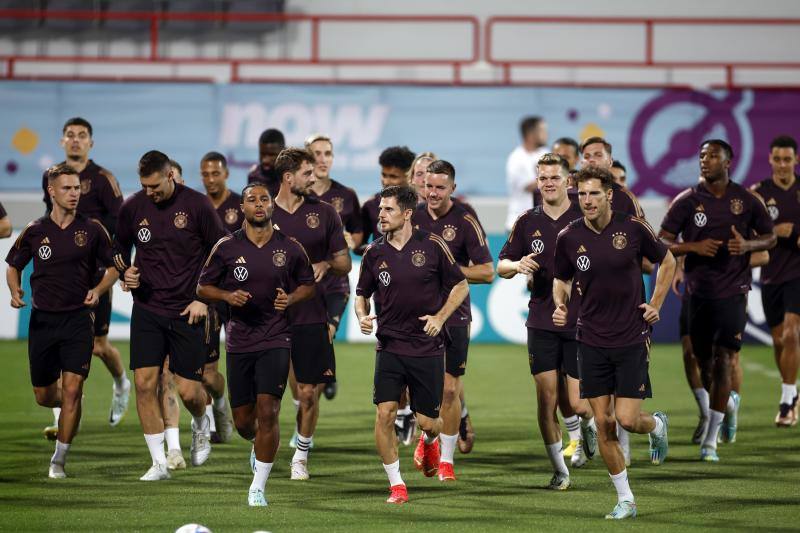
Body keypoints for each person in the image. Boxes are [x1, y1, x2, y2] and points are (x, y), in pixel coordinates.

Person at [553, 165, 675, 519]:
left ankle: (656, 425)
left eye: (593, 193)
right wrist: (561, 305)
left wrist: (655, 304)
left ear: (609, 194)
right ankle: (626, 499)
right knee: (603, 422)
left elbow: (667, 262)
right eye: (581, 195)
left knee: (627, 419)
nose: (586, 200)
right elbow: (560, 279)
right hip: (589, 338)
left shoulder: (633, 228)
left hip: (631, 337)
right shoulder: (568, 237)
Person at [198, 182, 316, 506]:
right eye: (253, 200)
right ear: (243, 208)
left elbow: (308, 285)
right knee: (245, 423)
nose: (259, 204)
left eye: (264, 199)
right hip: (239, 340)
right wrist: (226, 295)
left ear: (271, 206)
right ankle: (255, 445)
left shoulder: (290, 248)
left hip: (277, 337)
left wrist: (289, 298)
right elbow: (202, 288)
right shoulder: (226, 247)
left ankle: (257, 487)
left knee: (270, 411)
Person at [113, 150, 227, 480]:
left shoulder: (197, 206)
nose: (150, 192)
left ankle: (201, 419)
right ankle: (158, 463)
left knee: (190, 390)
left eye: (155, 185)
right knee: (145, 383)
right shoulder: (133, 207)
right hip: (147, 309)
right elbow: (117, 248)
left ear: (170, 177)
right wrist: (125, 273)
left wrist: (204, 299)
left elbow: (222, 250)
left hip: (187, 310)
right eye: (144, 186)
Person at [659, 139, 775, 461]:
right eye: (701, 155)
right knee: (704, 362)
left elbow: (770, 236)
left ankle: (710, 440)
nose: (704, 160)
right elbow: (661, 241)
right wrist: (692, 249)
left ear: (728, 161)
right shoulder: (686, 201)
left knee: (725, 359)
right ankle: (725, 406)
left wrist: (748, 247)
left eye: (711, 156)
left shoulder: (746, 200)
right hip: (699, 294)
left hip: (735, 292)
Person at [355, 185, 469, 504]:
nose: (381, 215)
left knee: (428, 422)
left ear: (407, 213)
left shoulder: (432, 246)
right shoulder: (374, 252)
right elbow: (361, 294)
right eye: (380, 209)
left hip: (426, 348)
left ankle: (429, 441)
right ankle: (397, 485)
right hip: (389, 346)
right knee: (385, 414)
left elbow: (460, 285)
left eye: (388, 209)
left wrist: (441, 317)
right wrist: (363, 316)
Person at [6, 163, 118, 478]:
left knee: (71, 389)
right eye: (67, 188)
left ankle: (58, 460)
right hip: (42, 321)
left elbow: (114, 267)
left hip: (79, 321)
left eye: (77, 188)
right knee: (44, 396)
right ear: (51, 191)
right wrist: (15, 290)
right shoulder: (35, 230)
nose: (74, 194)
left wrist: (97, 290)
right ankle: (68, 404)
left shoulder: (93, 229)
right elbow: (13, 265)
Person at [498, 154, 598, 489]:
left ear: (568, 181)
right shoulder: (527, 221)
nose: (548, 183)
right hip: (541, 320)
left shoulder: (585, 217)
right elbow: (502, 265)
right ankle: (560, 469)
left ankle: (587, 427)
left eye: (554, 177)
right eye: (543, 178)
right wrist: (517, 265)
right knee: (546, 398)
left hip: (581, 322)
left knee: (580, 404)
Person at [39, 117, 130, 436]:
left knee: (98, 345)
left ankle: (121, 383)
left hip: (95, 276)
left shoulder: (103, 179)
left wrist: (120, 266)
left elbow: (121, 226)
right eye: (70, 136)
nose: (75, 140)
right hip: (62, 278)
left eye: (81, 136)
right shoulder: (51, 177)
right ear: (62, 141)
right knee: (63, 347)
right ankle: (61, 417)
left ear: (91, 142)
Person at [270, 147, 351, 480]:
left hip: (310, 314)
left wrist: (326, 263)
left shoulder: (326, 213)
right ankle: (260, 443)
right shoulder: (263, 211)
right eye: (307, 173)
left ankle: (300, 455)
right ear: (289, 177)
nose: (314, 177)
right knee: (266, 397)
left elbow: (345, 263)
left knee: (307, 391)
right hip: (267, 316)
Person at [411, 160, 494, 481]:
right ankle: (427, 435)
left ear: (452, 189)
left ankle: (445, 460)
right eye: (428, 186)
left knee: (448, 390)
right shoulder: (412, 216)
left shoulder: (464, 220)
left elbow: (486, 271)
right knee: (415, 388)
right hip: (415, 315)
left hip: (455, 315)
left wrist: (448, 273)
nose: (432, 193)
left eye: (440, 188)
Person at [306, 133, 363, 401]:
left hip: (335, 283)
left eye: (327, 153)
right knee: (305, 346)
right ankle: (326, 376)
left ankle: (305, 424)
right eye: (316, 153)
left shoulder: (346, 195)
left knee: (323, 335)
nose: (322, 159)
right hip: (303, 283)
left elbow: (359, 233)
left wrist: (351, 241)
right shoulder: (297, 196)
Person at [750, 134, 800, 426]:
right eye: (777, 159)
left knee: (792, 334)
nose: (782, 165)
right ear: (770, 159)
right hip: (770, 277)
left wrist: (789, 233)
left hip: (797, 275)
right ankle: (791, 392)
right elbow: (749, 237)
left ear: (796, 160)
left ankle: (785, 402)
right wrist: (768, 235)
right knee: (780, 341)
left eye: (788, 160)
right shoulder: (758, 193)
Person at [197, 151, 239, 442]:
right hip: (208, 298)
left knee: (238, 363)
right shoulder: (195, 206)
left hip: (237, 297)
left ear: (226, 174)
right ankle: (215, 415)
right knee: (205, 370)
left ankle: (227, 408)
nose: (211, 179)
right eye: (206, 174)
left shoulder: (242, 204)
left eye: (215, 174)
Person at [359, 146, 416, 253]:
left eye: (393, 176)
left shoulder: (423, 206)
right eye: (384, 175)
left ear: (409, 176)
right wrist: (377, 250)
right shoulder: (371, 205)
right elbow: (359, 246)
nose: (386, 181)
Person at [505, 116, 549, 231]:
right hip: (519, 224)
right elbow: (529, 187)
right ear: (531, 134)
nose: (546, 134)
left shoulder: (546, 153)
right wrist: (555, 177)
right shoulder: (516, 158)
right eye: (542, 131)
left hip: (542, 224)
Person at [248, 129, 286, 196]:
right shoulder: (253, 176)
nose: (265, 160)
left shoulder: (293, 179)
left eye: (271, 155)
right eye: (262, 154)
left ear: (284, 152)